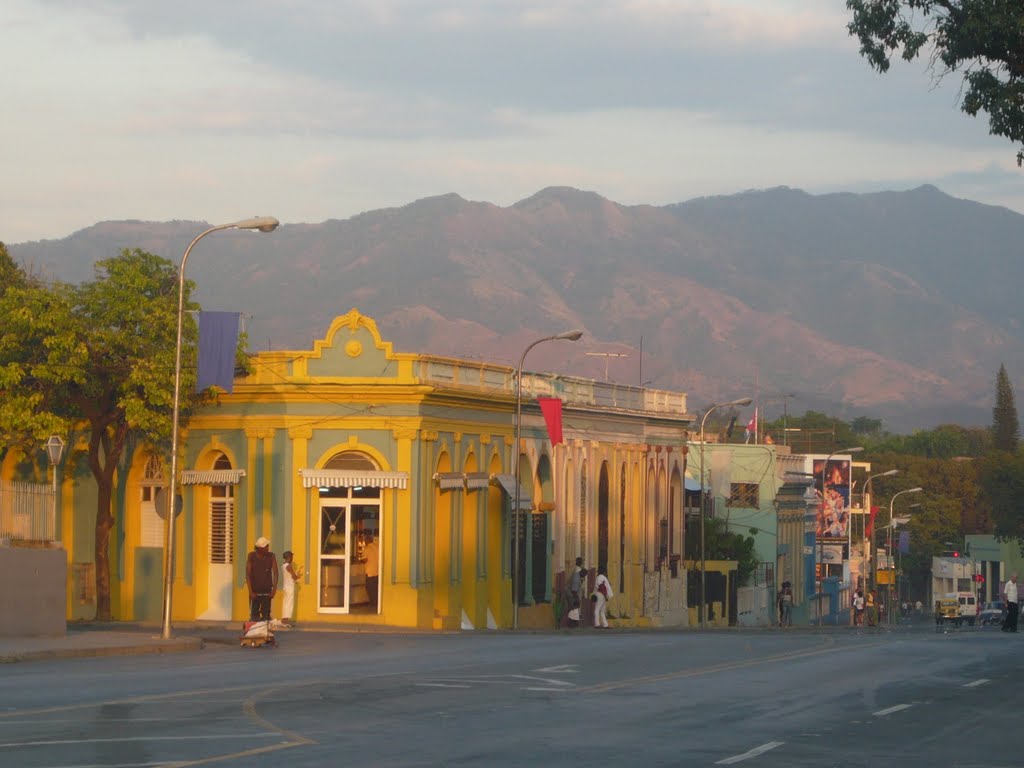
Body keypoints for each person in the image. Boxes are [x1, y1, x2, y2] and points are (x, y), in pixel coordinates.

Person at [245, 536, 278, 622]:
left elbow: (275, 573)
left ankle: (264, 634)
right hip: (255, 592)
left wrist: (274, 590)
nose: (268, 548)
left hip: (267, 592)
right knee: (254, 616)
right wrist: (250, 591)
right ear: (260, 548)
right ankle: (254, 634)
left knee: (266, 616)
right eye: (266, 546)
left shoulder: (271, 556)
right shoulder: (251, 556)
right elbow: (248, 574)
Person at [280, 550, 298, 626]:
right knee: (289, 603)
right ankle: (286, 620)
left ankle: (284, 619)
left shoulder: (283, 565)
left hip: (285, 586)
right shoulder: (289, 566)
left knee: (285, 603)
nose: (292, 558)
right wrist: (298, 575)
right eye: (291, 556)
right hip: (290, 587)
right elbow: (294, 576)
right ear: (289, 557)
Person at [565, 557, 584, 628]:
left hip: (572, 591)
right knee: (574, 607)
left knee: (573, 608)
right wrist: (575, 594)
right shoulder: (578, 571)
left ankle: (572, 622)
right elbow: (575, 583)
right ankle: (573, 623)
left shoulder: (575, 570)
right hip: (574, 592)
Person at [363, 533, 379, 610]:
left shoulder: (367, 548)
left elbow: (365, 559)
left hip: (370, 572)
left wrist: (359, 560)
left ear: (367, 541)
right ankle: (376, 603)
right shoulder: (377, 547)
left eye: (365, 540)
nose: (364, 542)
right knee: (376, 588)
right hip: (377, 571)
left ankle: (373, 603)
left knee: (370, 588)